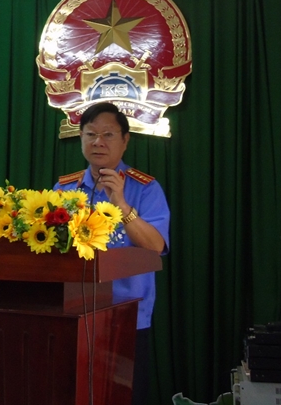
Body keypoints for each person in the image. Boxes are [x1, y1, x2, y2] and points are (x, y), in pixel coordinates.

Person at [53, 101, 170, 405]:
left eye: (108, 135)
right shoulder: (64, 190)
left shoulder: (145, 188)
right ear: (81, 138)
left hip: (126, 316)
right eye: (91, 134)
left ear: (125, 140)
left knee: (123, 396)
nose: (98, 142)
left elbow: (156, 246)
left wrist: (121, 203)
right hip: (74, 314)